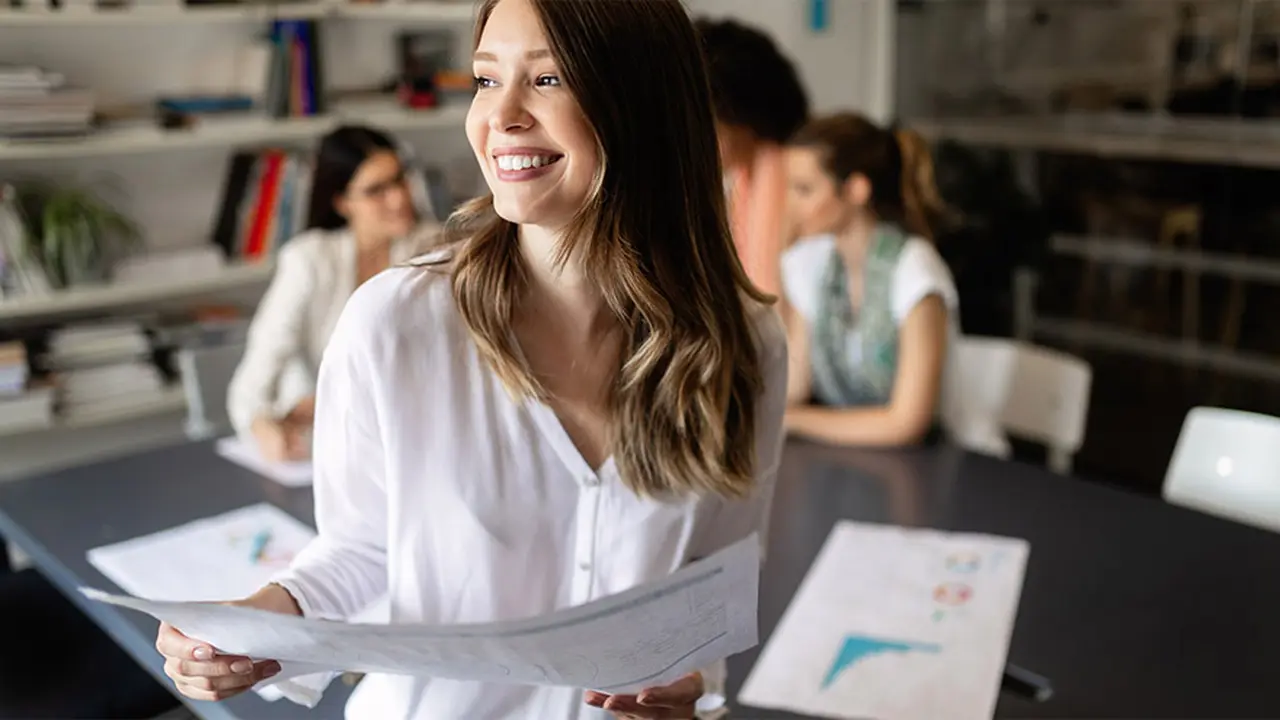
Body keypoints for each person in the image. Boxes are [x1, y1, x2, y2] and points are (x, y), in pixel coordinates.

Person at [157, 1, 788, 719]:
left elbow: (715, 578)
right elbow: (361, 550)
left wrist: (693, 685)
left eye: (547, 81)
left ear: (642, 105)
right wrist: (255, 627)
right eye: (487, 82)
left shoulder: (746, 342)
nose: (502, 117)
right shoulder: (393, 325)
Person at [226, 125, 440, 462]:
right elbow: (251, 385)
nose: (399, 198)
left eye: (399, 179)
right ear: (342, 202)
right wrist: (263, 426)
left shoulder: (433, 247)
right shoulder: (309, 260)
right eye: (376, 190)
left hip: (416, 439)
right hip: (331, 446)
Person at [780, 112, 961, 447]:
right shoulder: (809, 264)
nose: (790, 205)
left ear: (856, 190)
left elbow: (907, 422)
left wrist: (792, 420)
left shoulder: (914, 270)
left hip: (926, 464)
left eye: (804, 189)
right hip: (846, 458)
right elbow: (796, 383)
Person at [695, 17, 809, 296]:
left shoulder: (795, 181)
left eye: (707, 123)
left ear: (740, 115)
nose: (697, 140)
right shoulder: (742, 180)